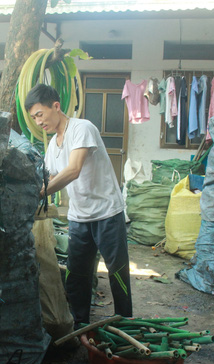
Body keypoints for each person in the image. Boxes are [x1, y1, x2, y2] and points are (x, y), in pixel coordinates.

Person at [25, 84, 133, 327]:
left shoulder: (82, 128)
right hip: (79, 217)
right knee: (77, 276)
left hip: (107, 213)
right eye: (33, 118)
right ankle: (81, 326)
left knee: (117, 273)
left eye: (40, 114)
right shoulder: (53, 145)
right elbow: (48, 176)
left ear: (56, 106)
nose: (38, 121)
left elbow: (73, 170)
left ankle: (126, 324)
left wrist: (39, 194)